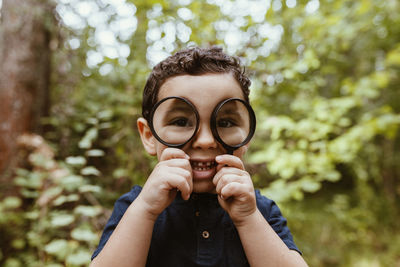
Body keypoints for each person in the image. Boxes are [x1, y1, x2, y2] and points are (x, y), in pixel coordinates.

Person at [90, 46, 308, 267]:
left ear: (247, 134)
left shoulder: (259, 210)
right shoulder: (135, 207)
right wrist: (145, 210)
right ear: (149, 136)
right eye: (181, 121)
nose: (205, 141)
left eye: (225, 122)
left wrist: (248, 218)